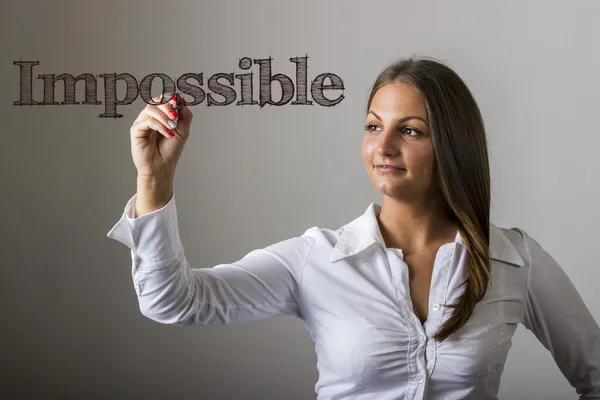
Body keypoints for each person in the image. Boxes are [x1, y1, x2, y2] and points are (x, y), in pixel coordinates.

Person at [107, 56, 600, 399]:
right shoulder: (315, 259)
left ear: (452, 145)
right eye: (372, 125)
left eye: (409, 130)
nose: (382, 146)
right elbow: (173, 302)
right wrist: (155, 177)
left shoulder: (514, 260)